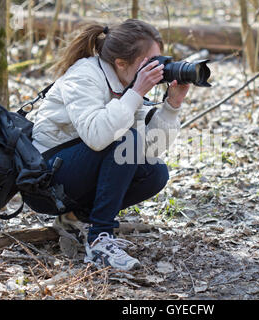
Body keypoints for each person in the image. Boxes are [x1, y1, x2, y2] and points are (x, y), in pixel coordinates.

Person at [27, 19, 189, 271]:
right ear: (121, 63)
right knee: (125, 141)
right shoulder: (84, 76)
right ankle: (100, 240)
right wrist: (136, 92)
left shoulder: (124, 82)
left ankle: (74, 218)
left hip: (74, 175)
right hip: (45, 182)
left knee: (155, 172)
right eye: (150, 64)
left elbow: (148, 151)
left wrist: (171, 106)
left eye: (160, 61)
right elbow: (97, 136)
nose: (158, 70)